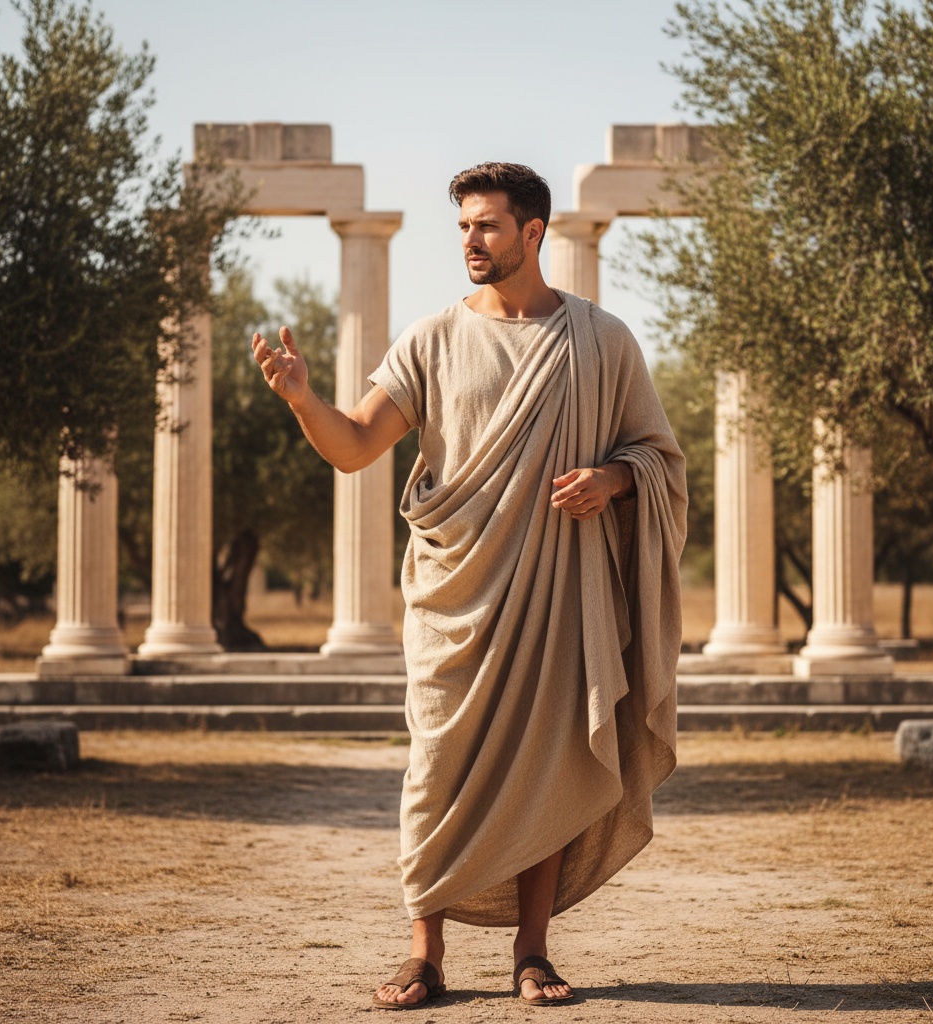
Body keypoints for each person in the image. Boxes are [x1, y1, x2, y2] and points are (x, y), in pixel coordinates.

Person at [252, 162, 687, 1009]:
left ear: (533, 231)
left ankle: (533, 953)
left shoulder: (603, 340)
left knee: (548, 769)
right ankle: (425, 954)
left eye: (486, 225)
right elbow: (355, 446)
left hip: (558, 595)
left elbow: (659, 459)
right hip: (455, 601)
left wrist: (612, 480)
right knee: (434, 770)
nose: (470, 241)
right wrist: (304, 401)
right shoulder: (432, 339)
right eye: (462, 226)